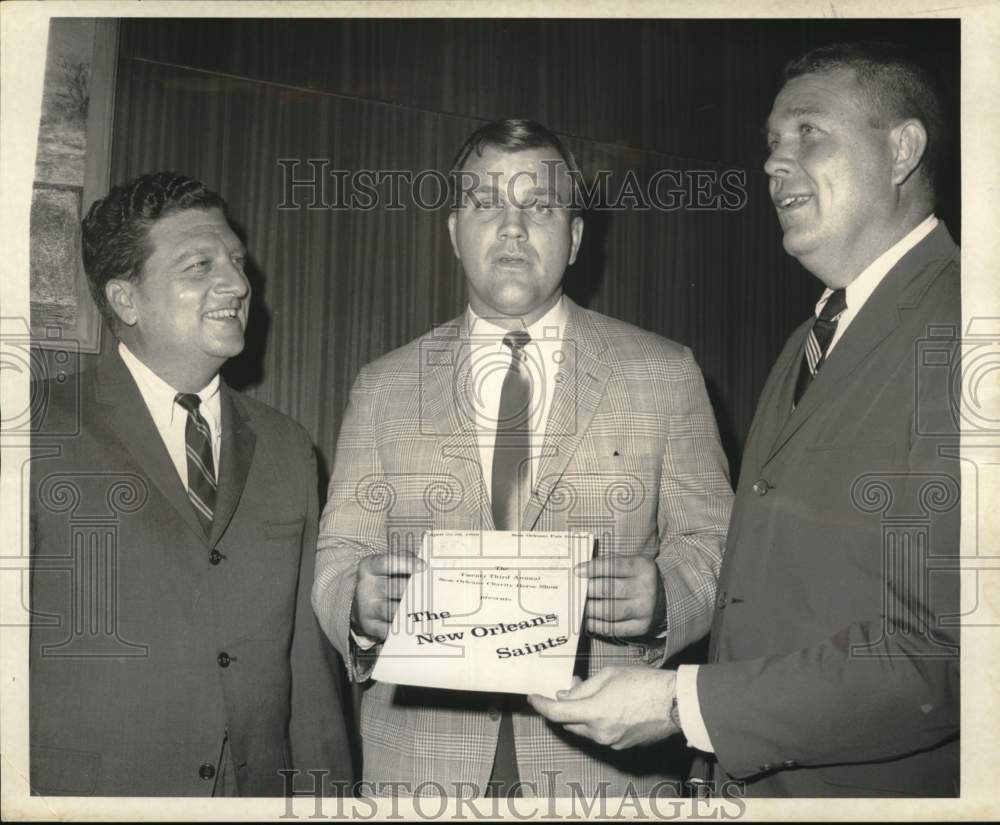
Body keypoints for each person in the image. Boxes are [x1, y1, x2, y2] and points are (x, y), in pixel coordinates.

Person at [529, 41, 961, 798]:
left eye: (808, 133)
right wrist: (709, 762)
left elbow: (951, 650)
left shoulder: (970, 324)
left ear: (902, 149)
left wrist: (684, 705)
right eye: (770, 143)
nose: (772, 163)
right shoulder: (810, 339)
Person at [311, 119, 733, 798]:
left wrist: (666, 599)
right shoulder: (382, 385)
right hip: (419, 773)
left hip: (604, 776)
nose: (512, 228)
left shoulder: (665, 374)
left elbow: (717, 546)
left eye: (539, 206)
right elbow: (337, 556)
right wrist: (358, 605)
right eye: (485, 204)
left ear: (574, 236)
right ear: (453, 233)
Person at [29, 172, 352, 796]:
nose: (236, 283)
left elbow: (309, 670)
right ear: (127, 300)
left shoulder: (288, 447)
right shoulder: (31, 428)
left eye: (235, 261)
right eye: (200, 265)